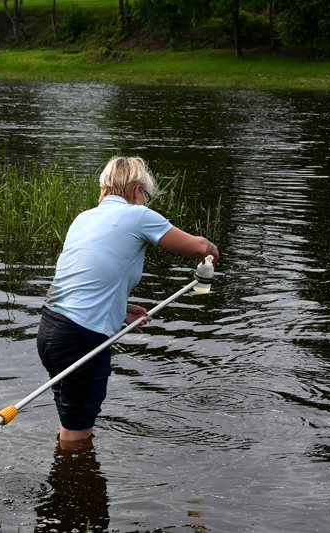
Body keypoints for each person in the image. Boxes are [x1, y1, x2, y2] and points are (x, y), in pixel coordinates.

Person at [37, 155, 219, 445]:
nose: (146, 201)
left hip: (50, 330)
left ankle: (66, 477)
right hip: (81, 337)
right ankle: (74, 484)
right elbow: (197, 247)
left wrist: (119, 310)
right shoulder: (138, 214)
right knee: (78, 433)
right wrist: (211, 250)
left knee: (71, 422)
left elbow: (82, 279)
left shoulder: (84, 218)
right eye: (146, 195)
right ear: (137, 192)